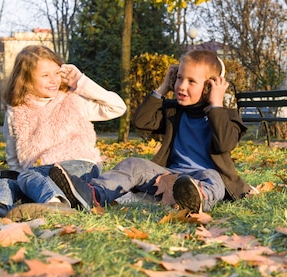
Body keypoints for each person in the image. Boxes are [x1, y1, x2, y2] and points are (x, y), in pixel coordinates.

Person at [48, 49, 255, 214]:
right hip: (169, 175)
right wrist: (164, 87)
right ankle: (93, 193)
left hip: (203, 179)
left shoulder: (226, 115)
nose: (181, 86)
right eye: (179, 78)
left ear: (210, 87)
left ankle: (196, 198)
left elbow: (224, 144)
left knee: (213, 177)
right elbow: (142, 121)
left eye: (191, 81)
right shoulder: (175, 111)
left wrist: (216, 104)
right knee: (133, 164)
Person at [0, 45, 127, 218]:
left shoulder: (73, 101)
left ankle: (55, 204)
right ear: (26, 80)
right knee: (6, 181)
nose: (54, 80)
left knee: (29, 176)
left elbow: (117, 107)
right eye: (45, 75)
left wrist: (80, 81)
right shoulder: (16, 112)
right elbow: (13, 155)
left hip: (78, 167)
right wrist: (19, 179)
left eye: (56, 73)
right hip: (37, 175)